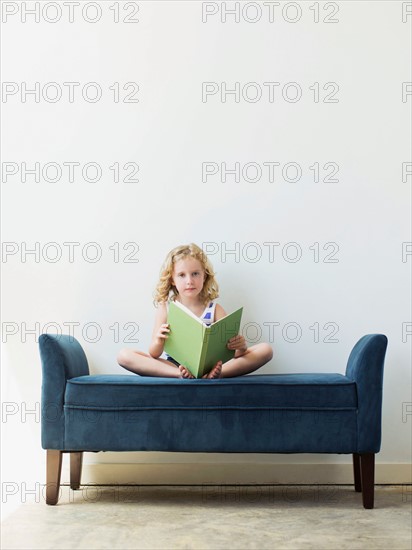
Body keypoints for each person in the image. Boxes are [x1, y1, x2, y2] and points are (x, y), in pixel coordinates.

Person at [117, 243, 273, 378]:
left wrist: (241, 346)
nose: (189, 281)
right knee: (124, 356)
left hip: (213, 367)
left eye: (195, 274)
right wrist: (159, 340)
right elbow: (154, 354)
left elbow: (235, 355)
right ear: (172, 279)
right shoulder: (166, 308)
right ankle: (180, 375)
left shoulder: (215, 309)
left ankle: (219, 374)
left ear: (204, 276)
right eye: (181, 275)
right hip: (174, 366)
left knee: (266, 350)